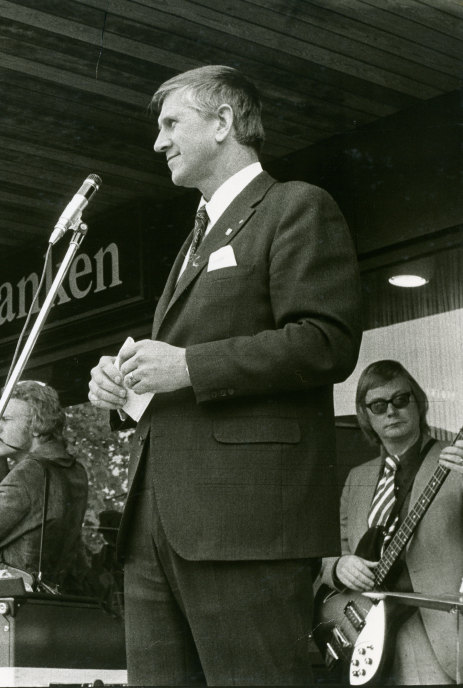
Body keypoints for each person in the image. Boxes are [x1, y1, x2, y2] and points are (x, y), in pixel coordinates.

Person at [88, 65, 362, 684]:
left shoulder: (295, 206)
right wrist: (127, 383)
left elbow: (326, 340)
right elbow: (179, 370)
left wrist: (185, 364)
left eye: (170, 123)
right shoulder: (195, 237)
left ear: (223, 122)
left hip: (246, 525)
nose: (158, 142)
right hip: (158, 529)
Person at [319, 361, 463, 684]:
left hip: (438, 635)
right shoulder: (356, 477)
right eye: (378, 406)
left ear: (419, 402)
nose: (391, 412)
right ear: (366, 416)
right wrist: (338, 566)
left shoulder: (457, 462)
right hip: (365, 633)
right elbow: (327, 551)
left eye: (401, 400)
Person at [0, 381, 89, 592]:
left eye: (5, 420)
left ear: (38, 426)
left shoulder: (30, 472)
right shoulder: (72, 469)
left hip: (14, 599)